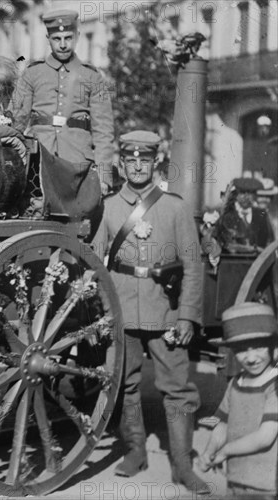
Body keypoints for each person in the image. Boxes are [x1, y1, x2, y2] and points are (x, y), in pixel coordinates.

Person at [91, 131, 210, 494]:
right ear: (122, 163)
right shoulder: (108, 208)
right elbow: (96, 265)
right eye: (131, 160)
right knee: (123, 385)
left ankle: (183, 466)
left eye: (145, 160)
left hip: (166, 313)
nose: (138, 166)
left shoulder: (174, 207)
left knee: (177, 389)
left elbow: (193, 265)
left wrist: (187, 316)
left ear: (155, 162)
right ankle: (135, 451)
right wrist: (101, 313)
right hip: (122, 310)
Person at [8, 10, 115, 193]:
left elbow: (103, 131)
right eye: (57, 39)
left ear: (78, 36)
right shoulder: (32, 74)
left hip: (78, 163)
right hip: (38, 159)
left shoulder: (92, 77)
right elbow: (16, 121)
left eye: (68, 38)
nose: (63, 45)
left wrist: (104, 177)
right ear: (48, 38)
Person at [200, 302, 277, 499]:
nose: (251, 358)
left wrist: (225, 451)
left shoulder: (274, 386)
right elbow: (223, 424)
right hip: (236, 477)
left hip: (267, 485)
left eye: (259, 347)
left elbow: (264, 437)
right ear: (232, 351)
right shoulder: (236, 382)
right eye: (242, 350)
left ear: (273, 347)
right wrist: (211, 450)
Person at [215, 177, 275, 252]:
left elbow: (270, 242)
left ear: (255, 195)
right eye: (242, 192)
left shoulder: (262, 214)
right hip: (232, 261)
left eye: (250, 192)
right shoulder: (226, 215)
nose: (246, 196)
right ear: (236, 195)